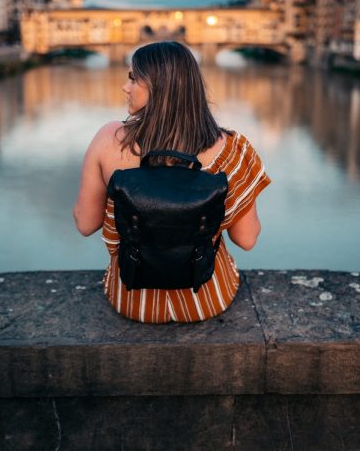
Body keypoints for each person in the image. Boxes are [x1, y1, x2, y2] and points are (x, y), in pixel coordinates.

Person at [73, 41, 270, 323]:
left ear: (157, 86)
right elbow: (247, 239)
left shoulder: (109, 139)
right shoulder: (231, 149)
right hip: (206, 299)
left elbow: (85, 224)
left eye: (133, 78)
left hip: (130, 299)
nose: (125, 87)